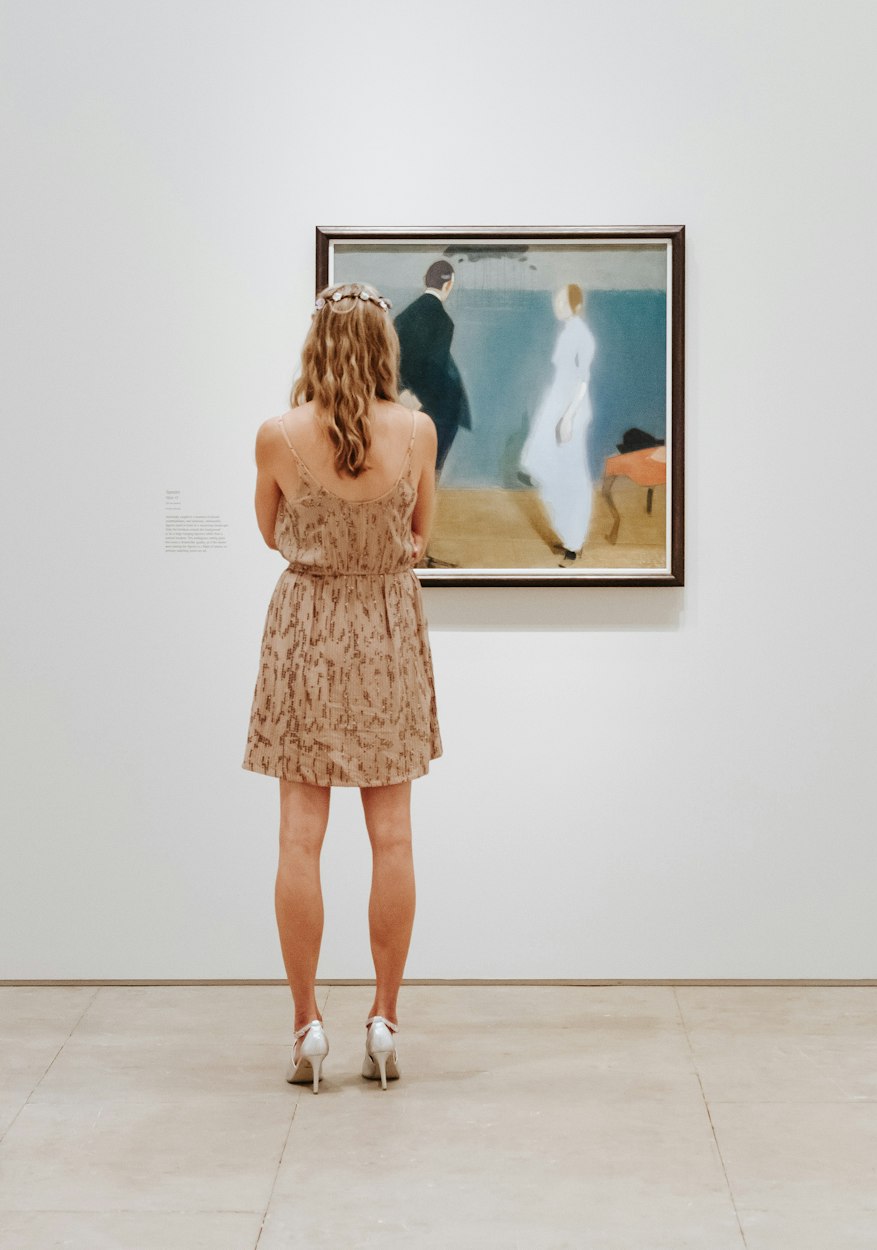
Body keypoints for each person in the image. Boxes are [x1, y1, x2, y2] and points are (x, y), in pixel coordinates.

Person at [242, 281, 442, 1093]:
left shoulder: (278, 435)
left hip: (307, 632)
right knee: (391, 838)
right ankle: (385, 1020)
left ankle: (307, 1025)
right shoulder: (419, 432)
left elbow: (269, 532)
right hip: (389, 629)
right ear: (383, 347)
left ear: (316, 344)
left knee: (300, 840)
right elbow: (422, 536)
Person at [519, 284, 597, 565]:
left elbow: (583, 381)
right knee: (545, 465)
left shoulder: (581, 336)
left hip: (570, 410)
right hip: (557, 405)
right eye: (557, 299)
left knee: (572, 473)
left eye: (562, 300)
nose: (557, 304)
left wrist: (568, 416)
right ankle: (567, 534)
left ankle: (574, 542)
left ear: (574, 304)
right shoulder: (567, 333)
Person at [393, 259, 472, 476]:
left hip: (401, 399)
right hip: (430, 406)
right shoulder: (443, 321)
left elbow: (394, 359)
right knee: (431, 465)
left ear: (425, 281)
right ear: (448, 285)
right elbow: (434, 370)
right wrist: (420, 400)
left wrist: (401, 392)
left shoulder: (402, 317)